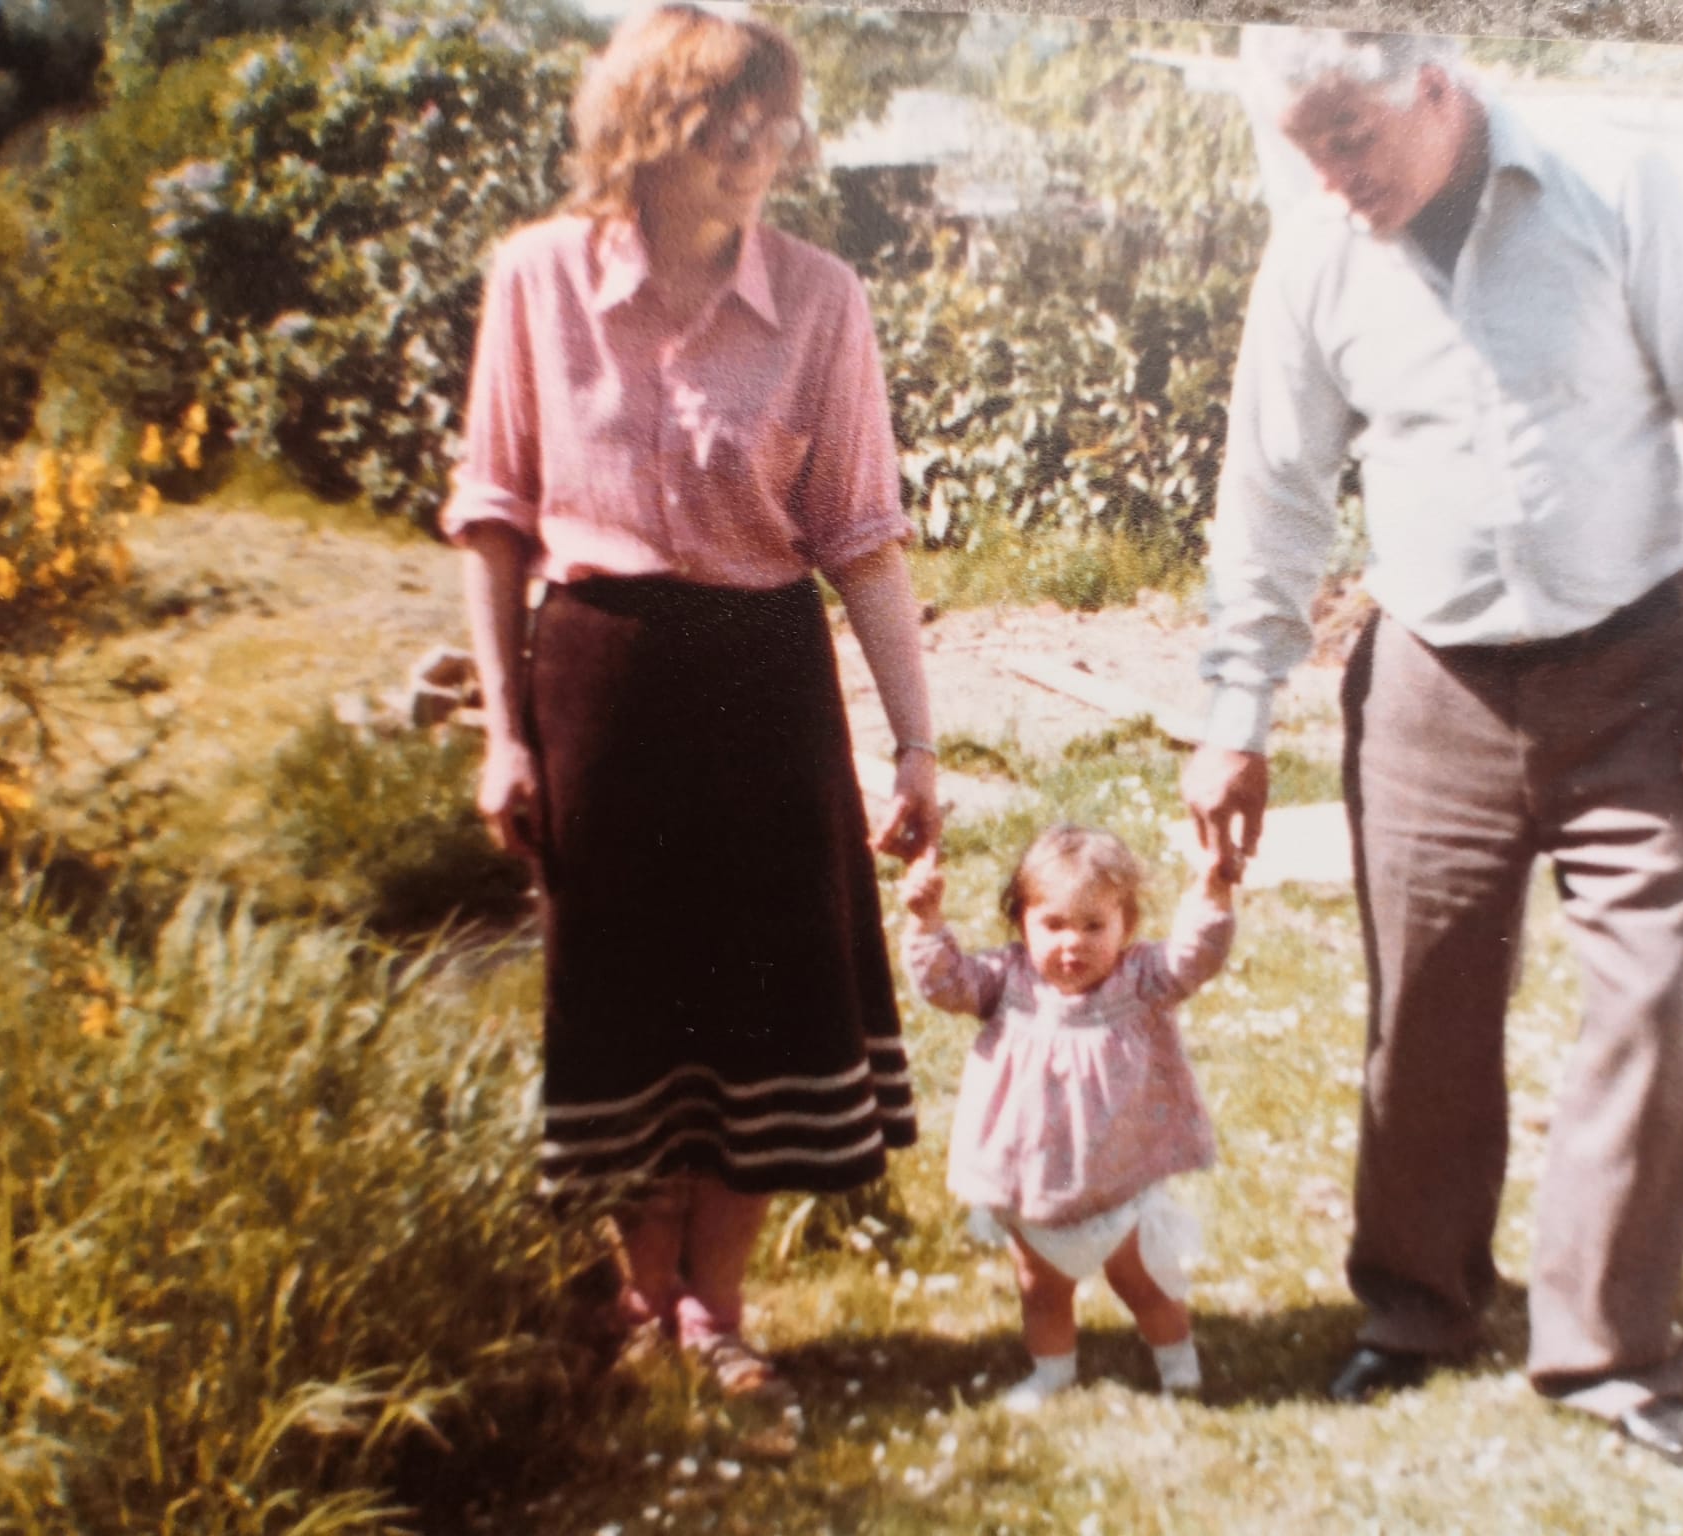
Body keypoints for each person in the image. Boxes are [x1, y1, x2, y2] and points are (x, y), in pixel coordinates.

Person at [1183, 30, 1683, 1462]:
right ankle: (1415, 1311)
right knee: (1426, 1018)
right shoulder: (1315, 256)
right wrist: (1233, 715)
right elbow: (1270, 499)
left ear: (1437, 86)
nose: (1332, 181)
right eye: (1305, 151)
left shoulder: (1615, 188)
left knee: (1639, 1009)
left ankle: (1606, 1357)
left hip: (1641, 665)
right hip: (1432, 679)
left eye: (1354, 144)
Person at [444, 5, 939, 1402]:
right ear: (647, 131)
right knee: (626, 995)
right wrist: (502, 729)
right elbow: (493, 520)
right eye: (724, 129)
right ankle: (636, 1287)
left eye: (774, 128)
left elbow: (859, 534)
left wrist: (914, 743)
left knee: (770, 999)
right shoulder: (537, 282)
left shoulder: (823, 299)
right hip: (595, 680)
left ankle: (715, 1308)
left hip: (762, 687)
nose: (756, 155)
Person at [900, 827, 1234, 1410]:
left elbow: (1194, 958)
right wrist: (926, 923)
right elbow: (944, 984)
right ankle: (1053, 1374)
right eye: (1053, 924)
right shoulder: (1006, 981)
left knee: (1140, 1279)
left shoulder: (1141, 979)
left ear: (1125, 927)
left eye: (1093, 926)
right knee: (1041, 1286)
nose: (1072, 945)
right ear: (1022, 921)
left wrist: (1210, 893)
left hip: (1116, 1174)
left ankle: (1180, 1371)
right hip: (1029, 1180)